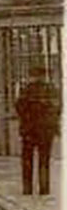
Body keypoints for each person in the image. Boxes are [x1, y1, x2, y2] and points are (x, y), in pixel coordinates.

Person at [15, 66, 60, 196]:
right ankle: (44, 189)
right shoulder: (51, 90)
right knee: (44, 160)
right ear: (43, 76)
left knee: (27, 160)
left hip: (29, 130)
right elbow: (57, 109)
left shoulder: (26, 90)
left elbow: (19, 108)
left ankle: (27, 189)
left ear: (31, 76)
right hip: (45, 130)